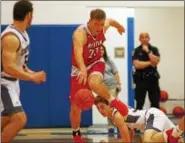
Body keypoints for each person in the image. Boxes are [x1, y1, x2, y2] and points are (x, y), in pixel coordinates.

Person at [70, 8, 128, 143]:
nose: (99, 27)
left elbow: (111, 21)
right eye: (96, 24)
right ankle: (76, 133)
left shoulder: (103, 27)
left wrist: (119, 27)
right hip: (79, 67)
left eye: (101, 24)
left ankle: (114, 101)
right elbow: (78, 53)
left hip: (96, 62)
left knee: (94, 83)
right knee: (75, 106)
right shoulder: (80, 33)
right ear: (89, 21)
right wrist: (83, 69)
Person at [1, 0, 46, 142]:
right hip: (4, 83)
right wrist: (31, 78)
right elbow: (8, 66)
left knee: (8, 119)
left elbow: (19, 63)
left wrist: (31, 72)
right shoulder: (11, 37)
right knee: (20, 119)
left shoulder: (24, 34)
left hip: (13, 83)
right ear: (29, 15)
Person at [94, 96, 184, 143]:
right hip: (151, 118)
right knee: (178, 137)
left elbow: (126, 141)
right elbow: (130, 136)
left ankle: (170, 133)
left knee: (147, 141)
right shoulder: (116, 116)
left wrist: (108, 142)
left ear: (110, 105)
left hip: (151, 116)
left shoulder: (117, 116)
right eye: (98, 108)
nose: (100, 111)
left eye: (102, 107)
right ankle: (173, 134)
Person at [132, 32, 161, 110]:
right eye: (142, 37)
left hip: (153, 79)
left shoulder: (154, 49)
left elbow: (155, 62)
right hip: (140, 79)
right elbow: (137, 65)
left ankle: (155, 121)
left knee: (155, 103)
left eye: (146, 37)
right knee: (139, 103)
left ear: (149, 38)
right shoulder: (136, 50)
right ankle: (139, 121)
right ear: (139, 39)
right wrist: (150, 62)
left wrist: (148, 51)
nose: (144, 39)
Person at [101, 45, 121, 134]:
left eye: (102, 49)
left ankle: (117, 124)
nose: (101, 51)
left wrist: (118, 84)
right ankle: (111, 126)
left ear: (104, 51)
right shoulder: (94, 62)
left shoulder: (108, 60)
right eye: (99, 49)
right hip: (102, 87)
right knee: (107, 107)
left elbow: (116, 73)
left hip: (112, 85)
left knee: (112, 106)